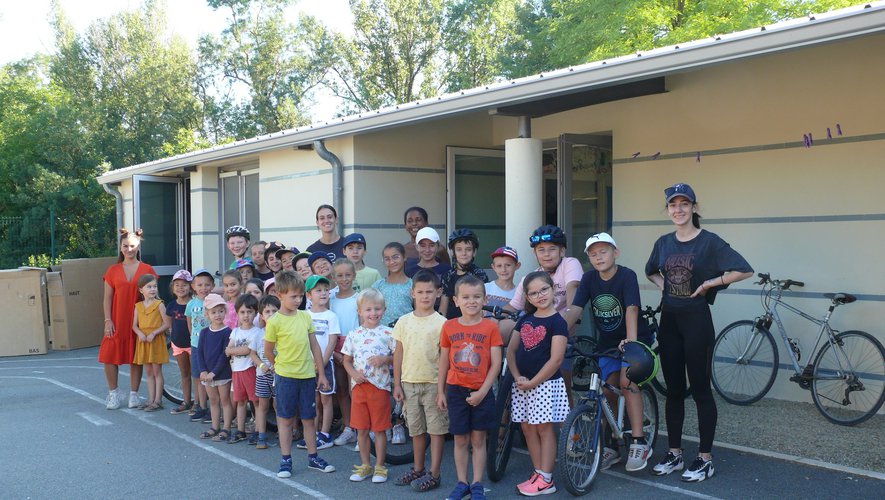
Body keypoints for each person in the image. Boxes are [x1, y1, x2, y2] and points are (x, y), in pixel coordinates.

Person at [645, 183, 753, 482]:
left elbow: (744, 270)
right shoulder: (664, 242)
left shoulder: (709, 242)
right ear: (668, 210)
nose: (678, 210)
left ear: (694, 207)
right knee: (675, 391)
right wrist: (663, 286)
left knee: (701, 390)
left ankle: (705, 458)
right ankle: (675, 453)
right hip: (670, 322)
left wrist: (708, 284)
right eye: (672, 205)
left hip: (697, 322)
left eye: (684, 204)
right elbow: (651, 270)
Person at [564, 232, 655, 472]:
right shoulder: (589, 279)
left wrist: (632, 344)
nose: (598, 257)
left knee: (627, 381)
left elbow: (632, 309)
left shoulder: (627, 275)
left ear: (615, 252)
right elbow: (574, 310)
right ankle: (613, 445)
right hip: (607, 343)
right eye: (593, 254)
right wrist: (556, 333)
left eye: (603, 251)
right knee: (606, 390)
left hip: (635, 338)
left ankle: (638, 441)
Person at [438, 274, 503, 500]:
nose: (471, 301)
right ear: (456, 300)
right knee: (460, 438)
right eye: (466, 297)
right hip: (455, 390)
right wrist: (440, 391)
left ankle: (477, 483)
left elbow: (496, 363)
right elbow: (444, 360)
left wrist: (483, 392)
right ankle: (462, 482)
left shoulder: (491, 327)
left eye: (476, 296)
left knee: (478, 439)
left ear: (484, 299)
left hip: (482, 391)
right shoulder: (449, 326)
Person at [264, 270, 335, 478]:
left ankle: (313, 457)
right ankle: (286, 459)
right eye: (293, 296)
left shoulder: (305, 317)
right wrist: (277, 365)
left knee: (309, 418)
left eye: (300, 296)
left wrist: (321, 374)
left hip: (307, 376)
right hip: (286, 377)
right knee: (285, 419)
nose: (298, 300)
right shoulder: (275, 321)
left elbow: (315, 347)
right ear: (280, 295)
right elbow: (268, 349)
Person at [506, 271, 569, 496]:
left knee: (544, 428)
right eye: (533, 293)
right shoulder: (525, 320)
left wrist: (534, 381)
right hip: (523, 385)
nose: (539, 295)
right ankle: (539, 472)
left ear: (553, 289)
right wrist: (517, 376)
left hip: (545, 385)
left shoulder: (558, 322)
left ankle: (547, 479)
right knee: (527, 428)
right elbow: (512, 351)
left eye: (543, 289)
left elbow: (556, 359)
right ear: (527, 298)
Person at [502, 225, 582, 385]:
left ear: (562, 251)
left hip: (562, 330)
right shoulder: (530, 278)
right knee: (502, 327)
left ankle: (568, 410)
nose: (546, 254)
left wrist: (569, 318)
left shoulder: (569, 264)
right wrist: (489, 319)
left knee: (562, 384)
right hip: (535, 335)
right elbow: (512, 307)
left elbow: (574, 298)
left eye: (552, 249)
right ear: (535, 253)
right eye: (541, 250)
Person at [392, 270, 448, 492]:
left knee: (436, 430)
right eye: (420, 292)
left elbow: (445, 358)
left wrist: (442, 389)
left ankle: (434, 473)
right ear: (412, 293)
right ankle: (418, 468)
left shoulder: (443, 323)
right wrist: (397, 383)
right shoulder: (404, 322)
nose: (425, 296)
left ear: (438, 293)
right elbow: (398, 354)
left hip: (434, 384)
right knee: (415, 429)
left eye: (429, 292)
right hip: (409, 383)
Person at [342, 289, 397, 483]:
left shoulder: (389, 333)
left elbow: (397, 358)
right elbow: (346, 360)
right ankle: (365, 465)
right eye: (368, 309)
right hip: (359, 389)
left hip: (380, 388)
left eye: (377, 309)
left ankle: (380, 466)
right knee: (361, 429)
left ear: (384, 309)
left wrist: (385, 359)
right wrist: (354, 375)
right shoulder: (354, 334)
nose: (373, 313)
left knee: (380, 429)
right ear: (359, 311)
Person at [100, 228, 157, 410]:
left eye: (132, 246)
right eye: (125, 246)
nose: (129, 249)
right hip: (117, 319)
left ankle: (134, 394)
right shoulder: (113, 270)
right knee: (109, 356)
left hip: (139, 321)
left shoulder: (147, 269)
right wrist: (108, 320)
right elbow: (107, 298)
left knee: (136, 357)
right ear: (120, 247)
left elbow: (153, 296)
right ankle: (113, 393)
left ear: (138, 246)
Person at [299, 275, 341, 450]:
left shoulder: (331, 316)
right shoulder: (303, 315)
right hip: (307, 366)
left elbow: (332, 342)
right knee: (313, 400)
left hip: (326, 364)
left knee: (326, 400)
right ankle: (313, 433)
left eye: (325, 290)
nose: (323, 293)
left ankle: (324, 434)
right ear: (309, 295)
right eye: (318, 290)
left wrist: (321, 363)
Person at [194, 293, 234, 442]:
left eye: (221, 311)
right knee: (213, 400)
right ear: (207, 314)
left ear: (225, 311)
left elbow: (225, 355)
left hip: (222, 373)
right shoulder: (204, 332)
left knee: (225, 400)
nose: (218, 315)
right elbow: (199, 352)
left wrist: (214, 372)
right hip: (207, 374)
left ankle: (226, 428)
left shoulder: (227, 332)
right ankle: (215, 426)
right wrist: (203, 370)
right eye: (213, 312)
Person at [225, 294, 262, 444]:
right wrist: (234, 350)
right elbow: (228, 349)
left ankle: (259, 430)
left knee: (256, 402)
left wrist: (234, 350)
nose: (246, 315)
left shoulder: (257, 332)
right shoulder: (235, 331)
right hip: (237, 371)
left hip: (250, 370)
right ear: (237, 313)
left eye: (250, 312)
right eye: (242, 312)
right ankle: (241, 430)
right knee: (241, 402)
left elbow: (247, 350)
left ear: (256, 313)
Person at [131, 274, 171, 411]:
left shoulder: (159, 305)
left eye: (154, 286)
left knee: (157, 371)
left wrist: (154, 333)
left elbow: (167, 324)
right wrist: (140, 334)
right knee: (148, 372)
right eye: (149, 287)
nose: (153, 289)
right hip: (144, 341)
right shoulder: (138, 306)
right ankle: (150, 398)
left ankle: (158, 400)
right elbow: (134, 325)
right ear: (141, 290)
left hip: (155, 340)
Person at [331, 259, 359, 446]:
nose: (344, 279)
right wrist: (335, 352)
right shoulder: (330, 298)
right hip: (336, 345)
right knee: (341, 389)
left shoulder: (360, 298)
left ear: (354, 275)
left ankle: (361, 428)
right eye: (339, 275)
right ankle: (349, 427)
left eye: (348, 275)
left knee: (355, 390)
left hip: (356, 346)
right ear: (333, 277)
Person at [439, 229, 489, 319]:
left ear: (474, 252)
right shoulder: (447, 276)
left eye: (468, 249)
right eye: (459, 250)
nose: (464, 253)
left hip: (474, 322)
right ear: (452, 252)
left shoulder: (479, 274)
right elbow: (443, 307)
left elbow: (483, 305)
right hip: (452, 323)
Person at [186, 269, 214, 422]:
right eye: (200, 285)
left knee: (213, 377)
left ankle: (214, 408)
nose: (204, 288)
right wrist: (193, 338)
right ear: (194, 287)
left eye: (207, 285)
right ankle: (202, 407)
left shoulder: (215, 302)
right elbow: (189, 323)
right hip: (196, 345)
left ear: (213, 285)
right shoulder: (191, 304)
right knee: (199, 377)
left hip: (212, 346)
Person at [254, 295, 281, 449]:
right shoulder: (258, 333)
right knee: (263, 405)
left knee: (278, 405)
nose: (271, 314)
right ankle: (261, 436)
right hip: (263, 375)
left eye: (274, 311)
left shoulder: (282, 332)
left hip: (278, 375)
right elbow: (253, 353)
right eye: (267, 312)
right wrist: (261, 365)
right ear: (261, 316)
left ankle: (282, 432)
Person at [167, 270, 194, 414]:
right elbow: (169, 323)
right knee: (184, 373)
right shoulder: (171, 306)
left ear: (190, 286)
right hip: (177, 344)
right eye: (177, 285)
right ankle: (187, 401)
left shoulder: (194, 304)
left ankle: (200, 404)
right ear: (173, 287)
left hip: (192, 344)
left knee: (196, 374)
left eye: (184, 284)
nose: (180, 288)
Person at [373, 242, 414, 327]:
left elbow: (419, 311)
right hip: (382, 333)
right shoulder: (378, 286)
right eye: (387, 259)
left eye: (395, 257)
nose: (392, 262)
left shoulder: (412, 285)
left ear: (404, 257)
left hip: (406, 332)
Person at [485, 246, 520, 313]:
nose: (503, 269)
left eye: (508, 265)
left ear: (517, 266)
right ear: (493, 267)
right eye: (499, 266)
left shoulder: (518, 294)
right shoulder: (485, 288)